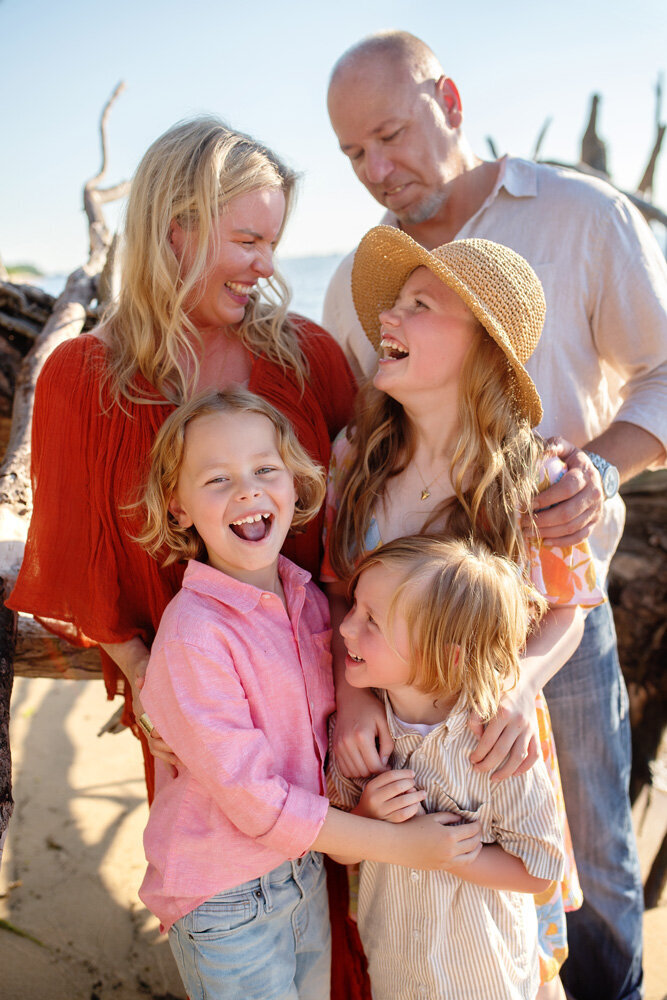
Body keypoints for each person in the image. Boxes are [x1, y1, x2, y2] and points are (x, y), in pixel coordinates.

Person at [323, 31, 667, 1000]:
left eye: (389, 135)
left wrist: (593, 469)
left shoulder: (582, 216)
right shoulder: (377, 300)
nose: (375, 170)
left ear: (451, 100)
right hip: (400, 665)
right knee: (427, 865)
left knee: (585, 847)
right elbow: (358, 470)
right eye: (353, 156)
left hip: (539, 614)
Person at [7, 116, 356, 800]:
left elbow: (372, 494)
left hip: (333, 698)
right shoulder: (80, 380)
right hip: (192, 719)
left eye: (273, 244)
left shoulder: (306, 355)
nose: (266, 266)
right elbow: (79, 562)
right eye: (248, 240)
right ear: (174, 230)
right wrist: (145, 680)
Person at [322, 229, 606, 999]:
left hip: (490, 743)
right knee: (406, 929)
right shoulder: (355, 459)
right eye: (393, 304)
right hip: (388, 741)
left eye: (419, 306)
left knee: (508, 942)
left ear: (484, 348)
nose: (389, 318)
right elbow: (337, 594)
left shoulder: (537, 474)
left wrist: (515, 687)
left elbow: (570, 609)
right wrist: (350, 700)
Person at [136, 388, 486, 1000]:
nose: (247, 491)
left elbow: (314, 748)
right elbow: (258, 803)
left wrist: (362, 812)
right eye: (217, 479)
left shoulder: (310, 605)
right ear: (178, 506)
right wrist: (404, 846)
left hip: (302, 873)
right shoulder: (194, 636)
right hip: (224, 901)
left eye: (265, 470)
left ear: (295, 486)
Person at [328, 535, 566, 1000]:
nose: (346, 628)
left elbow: (541, 868)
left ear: (447, 653)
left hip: (485, 977)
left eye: (372, 621)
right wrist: (367, 821)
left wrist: (454, 854)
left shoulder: (494, 744)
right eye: (354, 606)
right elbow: (339, 851)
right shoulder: (360, 735)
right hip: (396, 969)